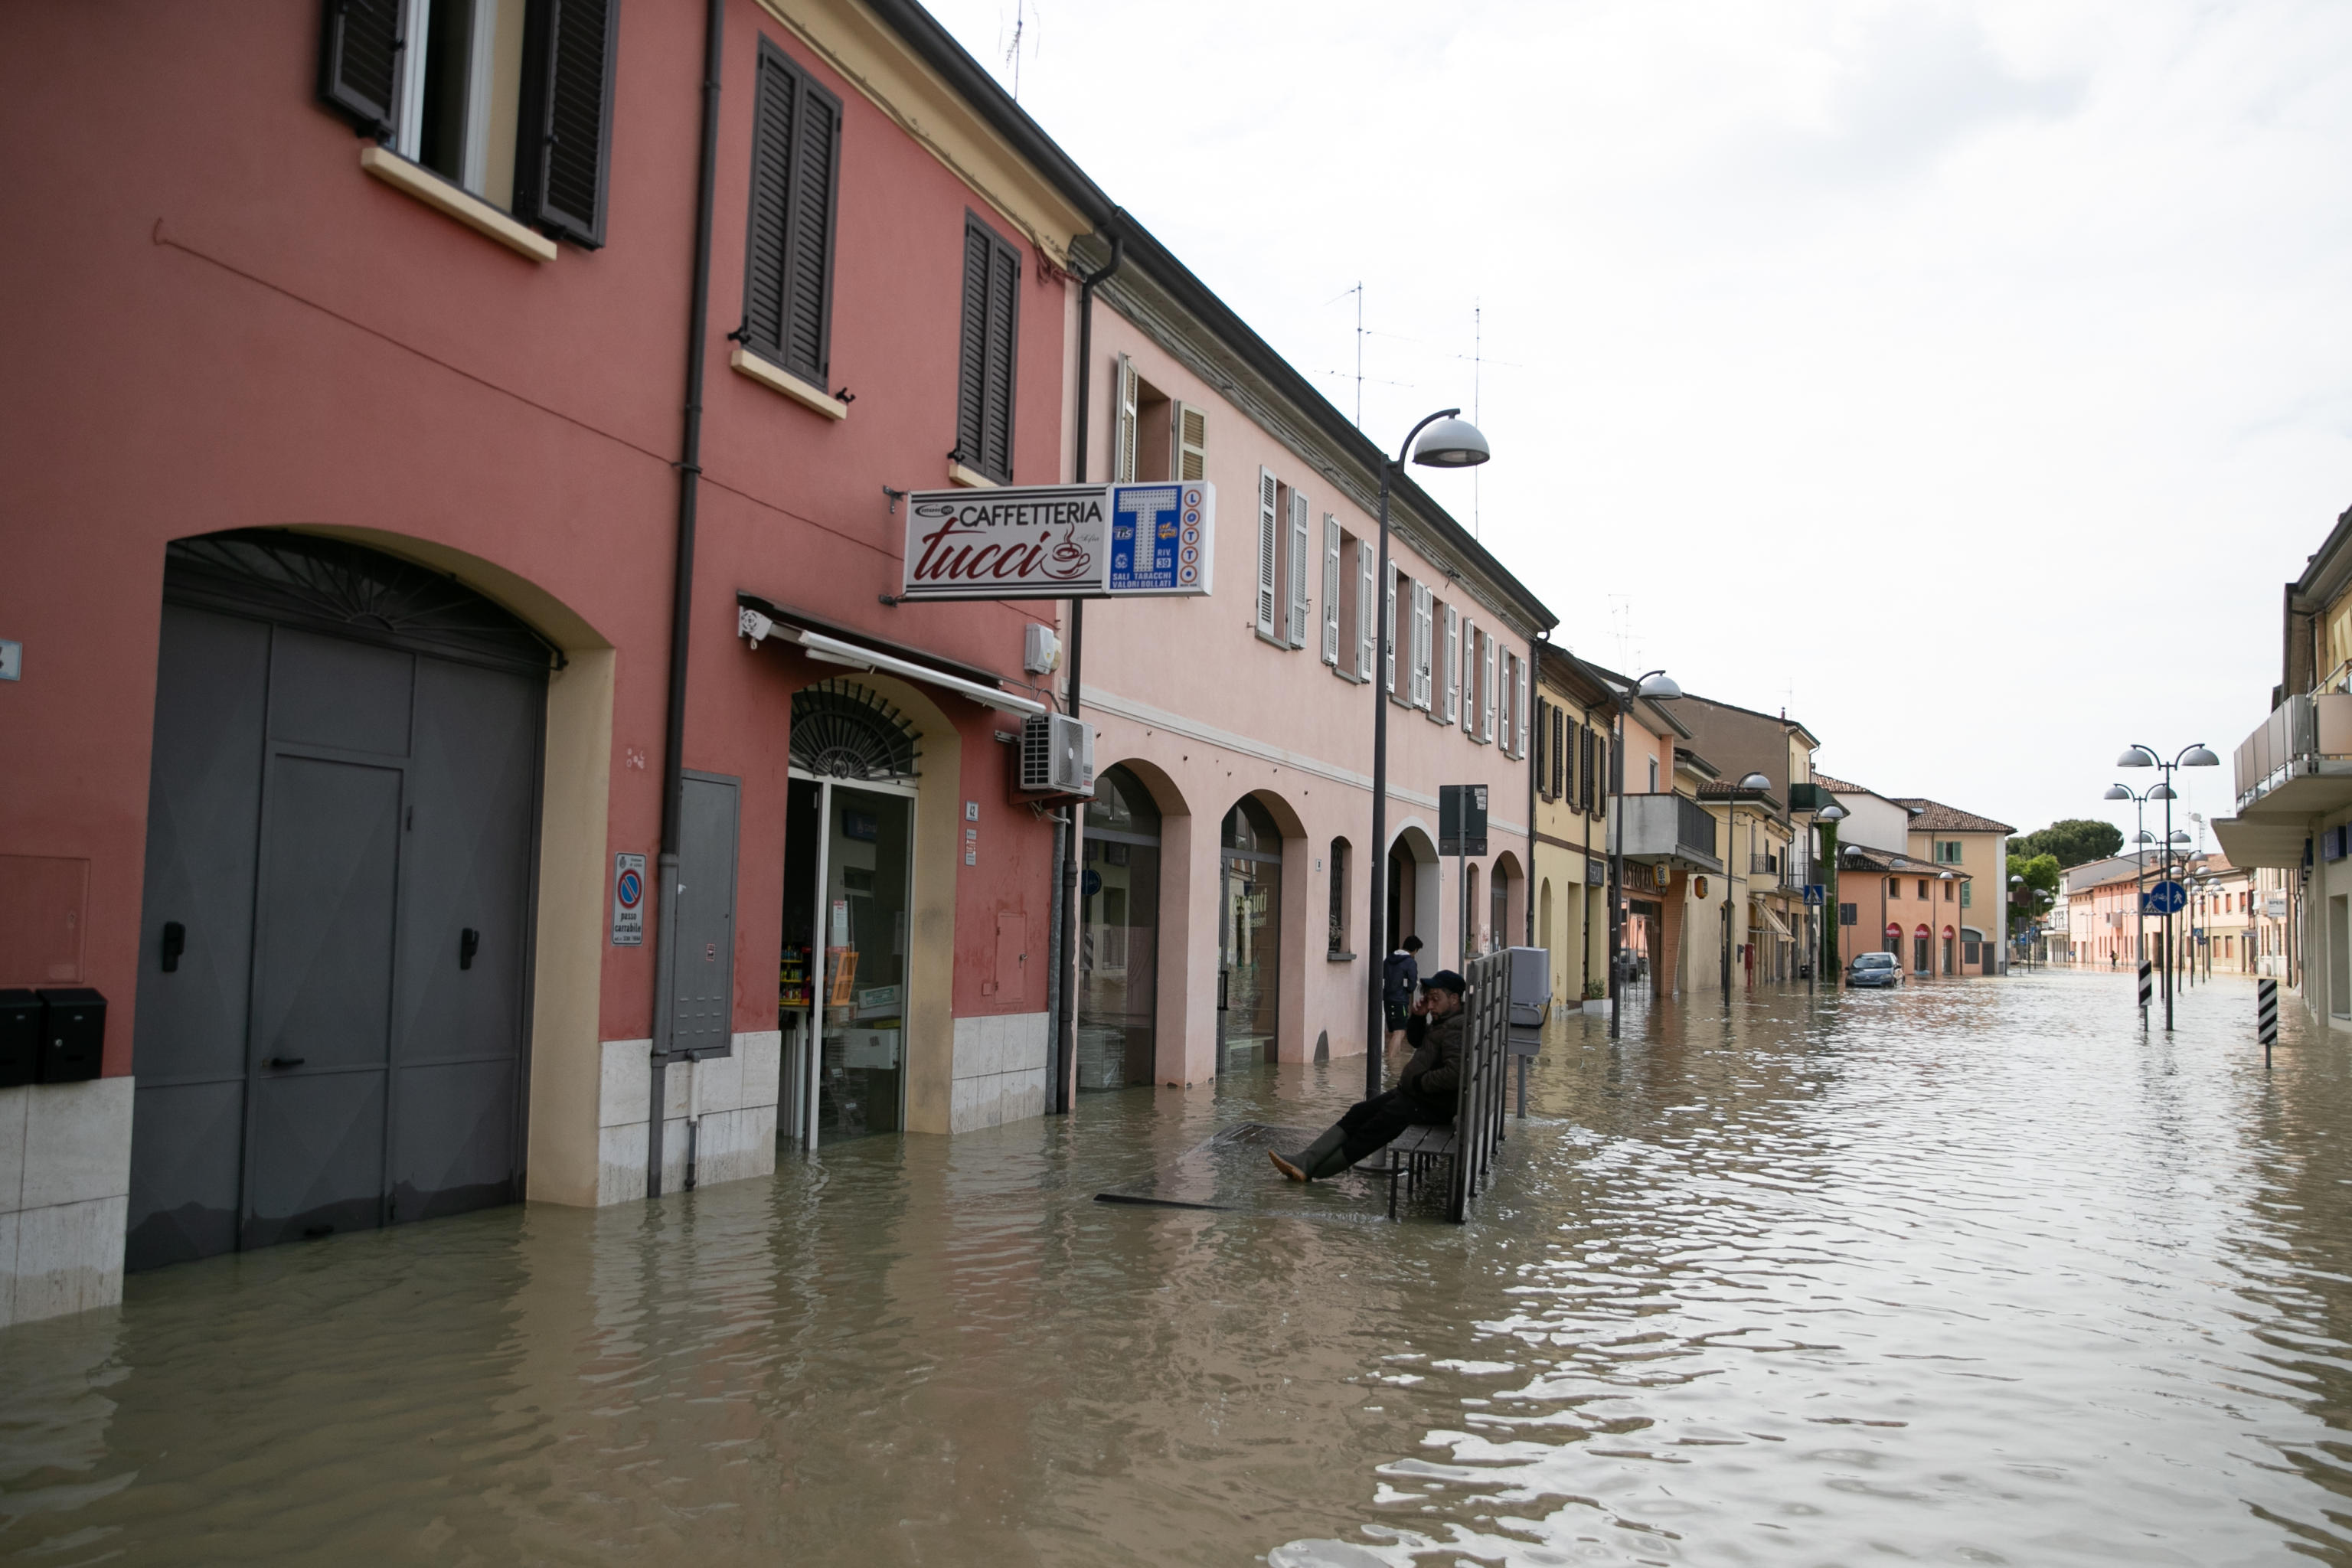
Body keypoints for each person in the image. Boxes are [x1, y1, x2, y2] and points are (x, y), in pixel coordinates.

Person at [1272, 969, 1467, 1182]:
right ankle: (1305, 1161)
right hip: (1415, 1097)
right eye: (1429, 999)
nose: (1430, 1005)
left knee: (1374, 1129)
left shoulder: (1456, 1028)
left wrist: (1419, 1083)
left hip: (1429, 1104)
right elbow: (1418, 1042)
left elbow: (1454, 1074)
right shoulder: (1445, 1021)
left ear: (1454, 999)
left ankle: (1317, 1171)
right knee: (1359, 1112)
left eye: (1435, 999)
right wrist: (1418, 1019)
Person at [1381, 935, 1423, 1055]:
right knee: (1399, 1032)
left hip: (1388, 999)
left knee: (1395, 1031)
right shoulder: (1410, 962)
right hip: (1400, 1000)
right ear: (1414, 950)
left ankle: (1394, 1064)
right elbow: (1411, 985)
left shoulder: (1388, 960)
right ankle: (1391, 1065)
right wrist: (1409, 989)